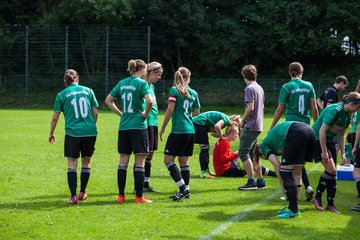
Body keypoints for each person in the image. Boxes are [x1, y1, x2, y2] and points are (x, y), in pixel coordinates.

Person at [105, 59, 154, 204]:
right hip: (138, 127)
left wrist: (121, 114)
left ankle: (121, 196)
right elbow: (150, 101)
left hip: (124, 127)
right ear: (142, 69)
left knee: (123, 162)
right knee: (140, 162)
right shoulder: (142, 83)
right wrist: (145, 114)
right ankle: (139, 197)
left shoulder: (122, 83)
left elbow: (108, 100)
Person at [269, 62, 318, 201]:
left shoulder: (286, 87)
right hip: (306, 127)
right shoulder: (309, 86)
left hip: (292, 127)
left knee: (291, 161)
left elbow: (280, 109)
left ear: (290, 73)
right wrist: (318, 125)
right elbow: (314, 108)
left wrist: (272, 127)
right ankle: (307, 186)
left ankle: (291, 193)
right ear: (302, 72)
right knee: (300, 159)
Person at [49, 69, 99, 204]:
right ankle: (82, 192)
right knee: (86, 162)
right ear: (77, 79)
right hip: (90, 132)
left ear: (65, 81)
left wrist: (51, 133)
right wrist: (90, 126)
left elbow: (55, 117)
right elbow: (95, 112)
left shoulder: (61, 95)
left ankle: (73, 196)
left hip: (73, 133)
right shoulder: (89, 91)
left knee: (72, 163)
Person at [253, 121, 315, 218]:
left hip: (295, 132)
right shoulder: (274, 142)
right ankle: (293, 207)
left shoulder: (264, 146)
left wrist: (283, 186)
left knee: (285, 172)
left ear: (260, 153)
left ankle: (293, 210)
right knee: (297, 172)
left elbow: (277, 165)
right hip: (310, 131)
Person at [312, 92, 360, 214]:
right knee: (331, 170)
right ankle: (317, 198)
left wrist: (343, 154)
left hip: (330, 141)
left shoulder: (348, 115)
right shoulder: (334, 110)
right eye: (358, 107)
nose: (358, 110)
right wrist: (323, 152)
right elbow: (322, 131)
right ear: (352, 104)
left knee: (333, 173)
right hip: (317, 138)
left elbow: (341, 135)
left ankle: (330, 204)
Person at [159, 67, 200, 201]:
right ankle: (186, 189)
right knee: (183, 160)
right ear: (188, 77)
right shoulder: (194, 93)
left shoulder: (174, 90)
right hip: (190, 130)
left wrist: (163, 127)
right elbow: (196, 112)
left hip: (178, 130)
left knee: (168, 160)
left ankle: (183, 188)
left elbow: (170, 109)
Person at [237, 64, 266, 190]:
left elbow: (250, 107)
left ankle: (251, 181)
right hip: (258, 125)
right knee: (254, 154)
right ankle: (260, 181)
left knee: (243, 153)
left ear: (244, 76)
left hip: (251, 125)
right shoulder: (259, 87)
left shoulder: (249, 88)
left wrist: (242, 122)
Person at [192, 111, 241, 178]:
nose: (235, 126)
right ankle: (204, 172)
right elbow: (217, 126)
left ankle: (206, 170)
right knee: (204, 148)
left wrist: (222, 136)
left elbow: (213, 133)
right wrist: (222, 138)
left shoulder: (225, 122)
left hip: (198, 123)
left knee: (205, 147)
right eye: (236, 124)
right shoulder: (226, 120)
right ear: (233, 120)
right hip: (199, 124)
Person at [142, 61, 163, 193]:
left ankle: (146, 183)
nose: (159, 78)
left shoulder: (152, 87)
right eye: (158, 74)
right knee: (143, 153)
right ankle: (138, 184)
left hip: (153, 122)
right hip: (146, 123)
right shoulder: (142, 85)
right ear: (151, 73)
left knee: (151, 153)